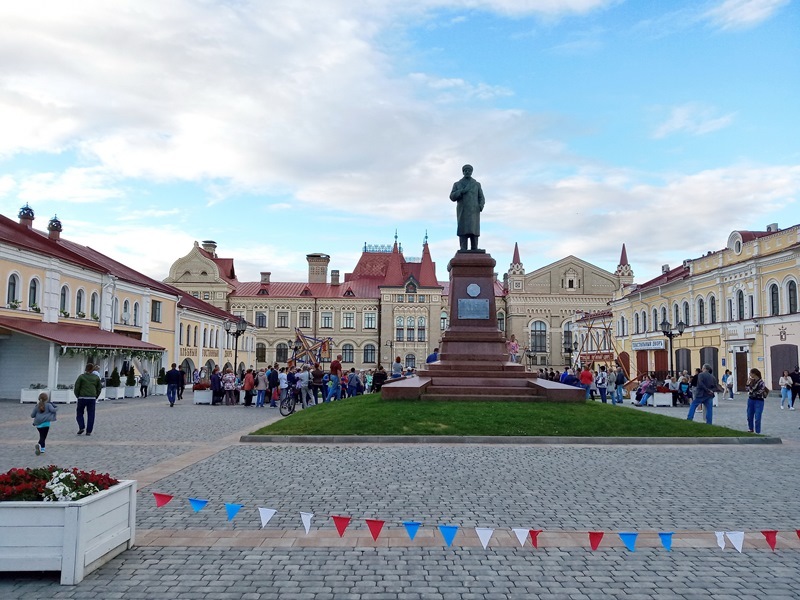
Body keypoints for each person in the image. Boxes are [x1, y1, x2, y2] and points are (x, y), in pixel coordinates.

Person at [449, 164, 485, 251]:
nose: (467, 172)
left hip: (474, 211)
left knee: (474, 230)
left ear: (471, 172)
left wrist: (480, 206)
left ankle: (474, 247)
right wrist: (461, 191)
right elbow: (452, 196)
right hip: (463, 210)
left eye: (469, 170)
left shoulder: (476, 184)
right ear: (463, 172)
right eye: (465, 170)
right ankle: (463, 248)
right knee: (463, 229)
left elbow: (481, 197)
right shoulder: (457, 184)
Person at [74, 362, 102, 434]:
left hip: (82, 397)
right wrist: (96, 396)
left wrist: (77, 395)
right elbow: (99, 388)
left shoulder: (81, 377)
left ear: (86, 369)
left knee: (79, 413)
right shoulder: (96, 378)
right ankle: (89, 431)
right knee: (91, 414)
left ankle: (81, 426)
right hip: (92, 398)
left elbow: (77, 387)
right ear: (92, 370)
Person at [745, 368, 769, 433]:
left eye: (750, 373)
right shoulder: (751, 381)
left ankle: (758, 431)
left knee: (757, 417)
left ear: (754, 374)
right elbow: (747, 389)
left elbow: (760, 391)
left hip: (759, 401)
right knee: (749, 415)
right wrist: (748, 384)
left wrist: (751, 391)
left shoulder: (761, 382)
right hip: (751, 400)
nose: (749, 374)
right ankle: (750, 429)